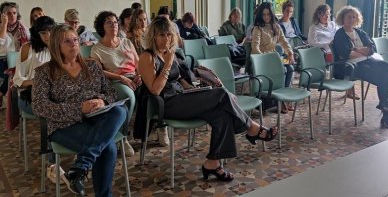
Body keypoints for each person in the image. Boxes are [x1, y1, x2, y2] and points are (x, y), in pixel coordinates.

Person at [134, 16, 276, 181]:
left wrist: (193, 89)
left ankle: (213, 163)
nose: (166, 39)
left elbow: (179, 79)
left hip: (181, 97)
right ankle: (252, 128)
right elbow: (155, 90)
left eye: (169, 35)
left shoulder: (169, 53)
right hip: (166, 104)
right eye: (161, 35)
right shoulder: (147, 56)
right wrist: (166, 64)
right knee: (222, 94)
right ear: (153, 36)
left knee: (222, 115)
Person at [32, 24, 127, 196]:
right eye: (67, 41)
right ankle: (89, 178)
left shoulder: (92, 66)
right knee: (108, 148)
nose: (73, 44)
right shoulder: (44, 72)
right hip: (64, 125)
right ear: (56, 45)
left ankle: (81, 166)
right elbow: (39, 106)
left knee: (120, 111)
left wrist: (102, 100)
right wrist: (79, 108)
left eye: (75, 40)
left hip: (97, 117)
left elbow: (111, 93)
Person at [332, 5, 388, 130]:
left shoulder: (360, 32)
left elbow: (372, 50)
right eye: (349, 17)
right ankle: (387, 115)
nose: (352, 19)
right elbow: (346, 54)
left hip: (367, 61)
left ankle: (385, 105)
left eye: (354, 17)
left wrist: (357, 49)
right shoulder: (339, 34)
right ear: (343, 18)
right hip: (350, 66)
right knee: (382, 80)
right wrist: (363, 51)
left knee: (385, 66)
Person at [13, 16, 63, 183]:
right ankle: (52, 163)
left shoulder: (59, 47)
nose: (48, 36)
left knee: (77, 107)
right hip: (29, 94)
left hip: (55, 93)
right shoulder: (28, 48)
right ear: (37, 33)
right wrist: (39, 82)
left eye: (50, 32)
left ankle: (77, 151)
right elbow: (17, 80)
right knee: (49, 114)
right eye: (43, 32)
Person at [91, 11, 145, 152]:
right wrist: (122, 77)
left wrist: (140, 75)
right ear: (102, 26)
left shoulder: (126, 42)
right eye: (109, 22)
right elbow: (99, 72)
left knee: (153, 89)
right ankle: (123, 136)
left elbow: (138, 62)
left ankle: (158, 127)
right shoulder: (97, 49)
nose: (114, 25)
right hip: (115, 81)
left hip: (134, 76)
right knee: (129, 96)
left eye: (115, 22)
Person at [251, 2, 294, 113]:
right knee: (283, 69)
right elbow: (255, 47)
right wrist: (264, 61)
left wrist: (290, 53)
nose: (266, 17)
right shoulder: (257, 28)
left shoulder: (276, 26)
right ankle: (281, 101)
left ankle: (283, 96)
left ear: (272, 14)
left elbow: (284, 41)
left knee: (290, 68)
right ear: (260, 15)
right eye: (264, 14)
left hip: (275, 58)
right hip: (261, 60)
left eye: (268, 14)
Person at [0, 1, 30, 107]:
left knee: (17, 70)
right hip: (3, 59)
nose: (12, 15)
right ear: (3, 15)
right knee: (9, 71)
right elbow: (1, 42)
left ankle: (4, 95)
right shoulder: (1, 27)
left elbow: (29, 45)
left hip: (20, 59)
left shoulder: (23, 29)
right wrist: (4, 24)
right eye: (8, 13)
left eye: (14, 13)